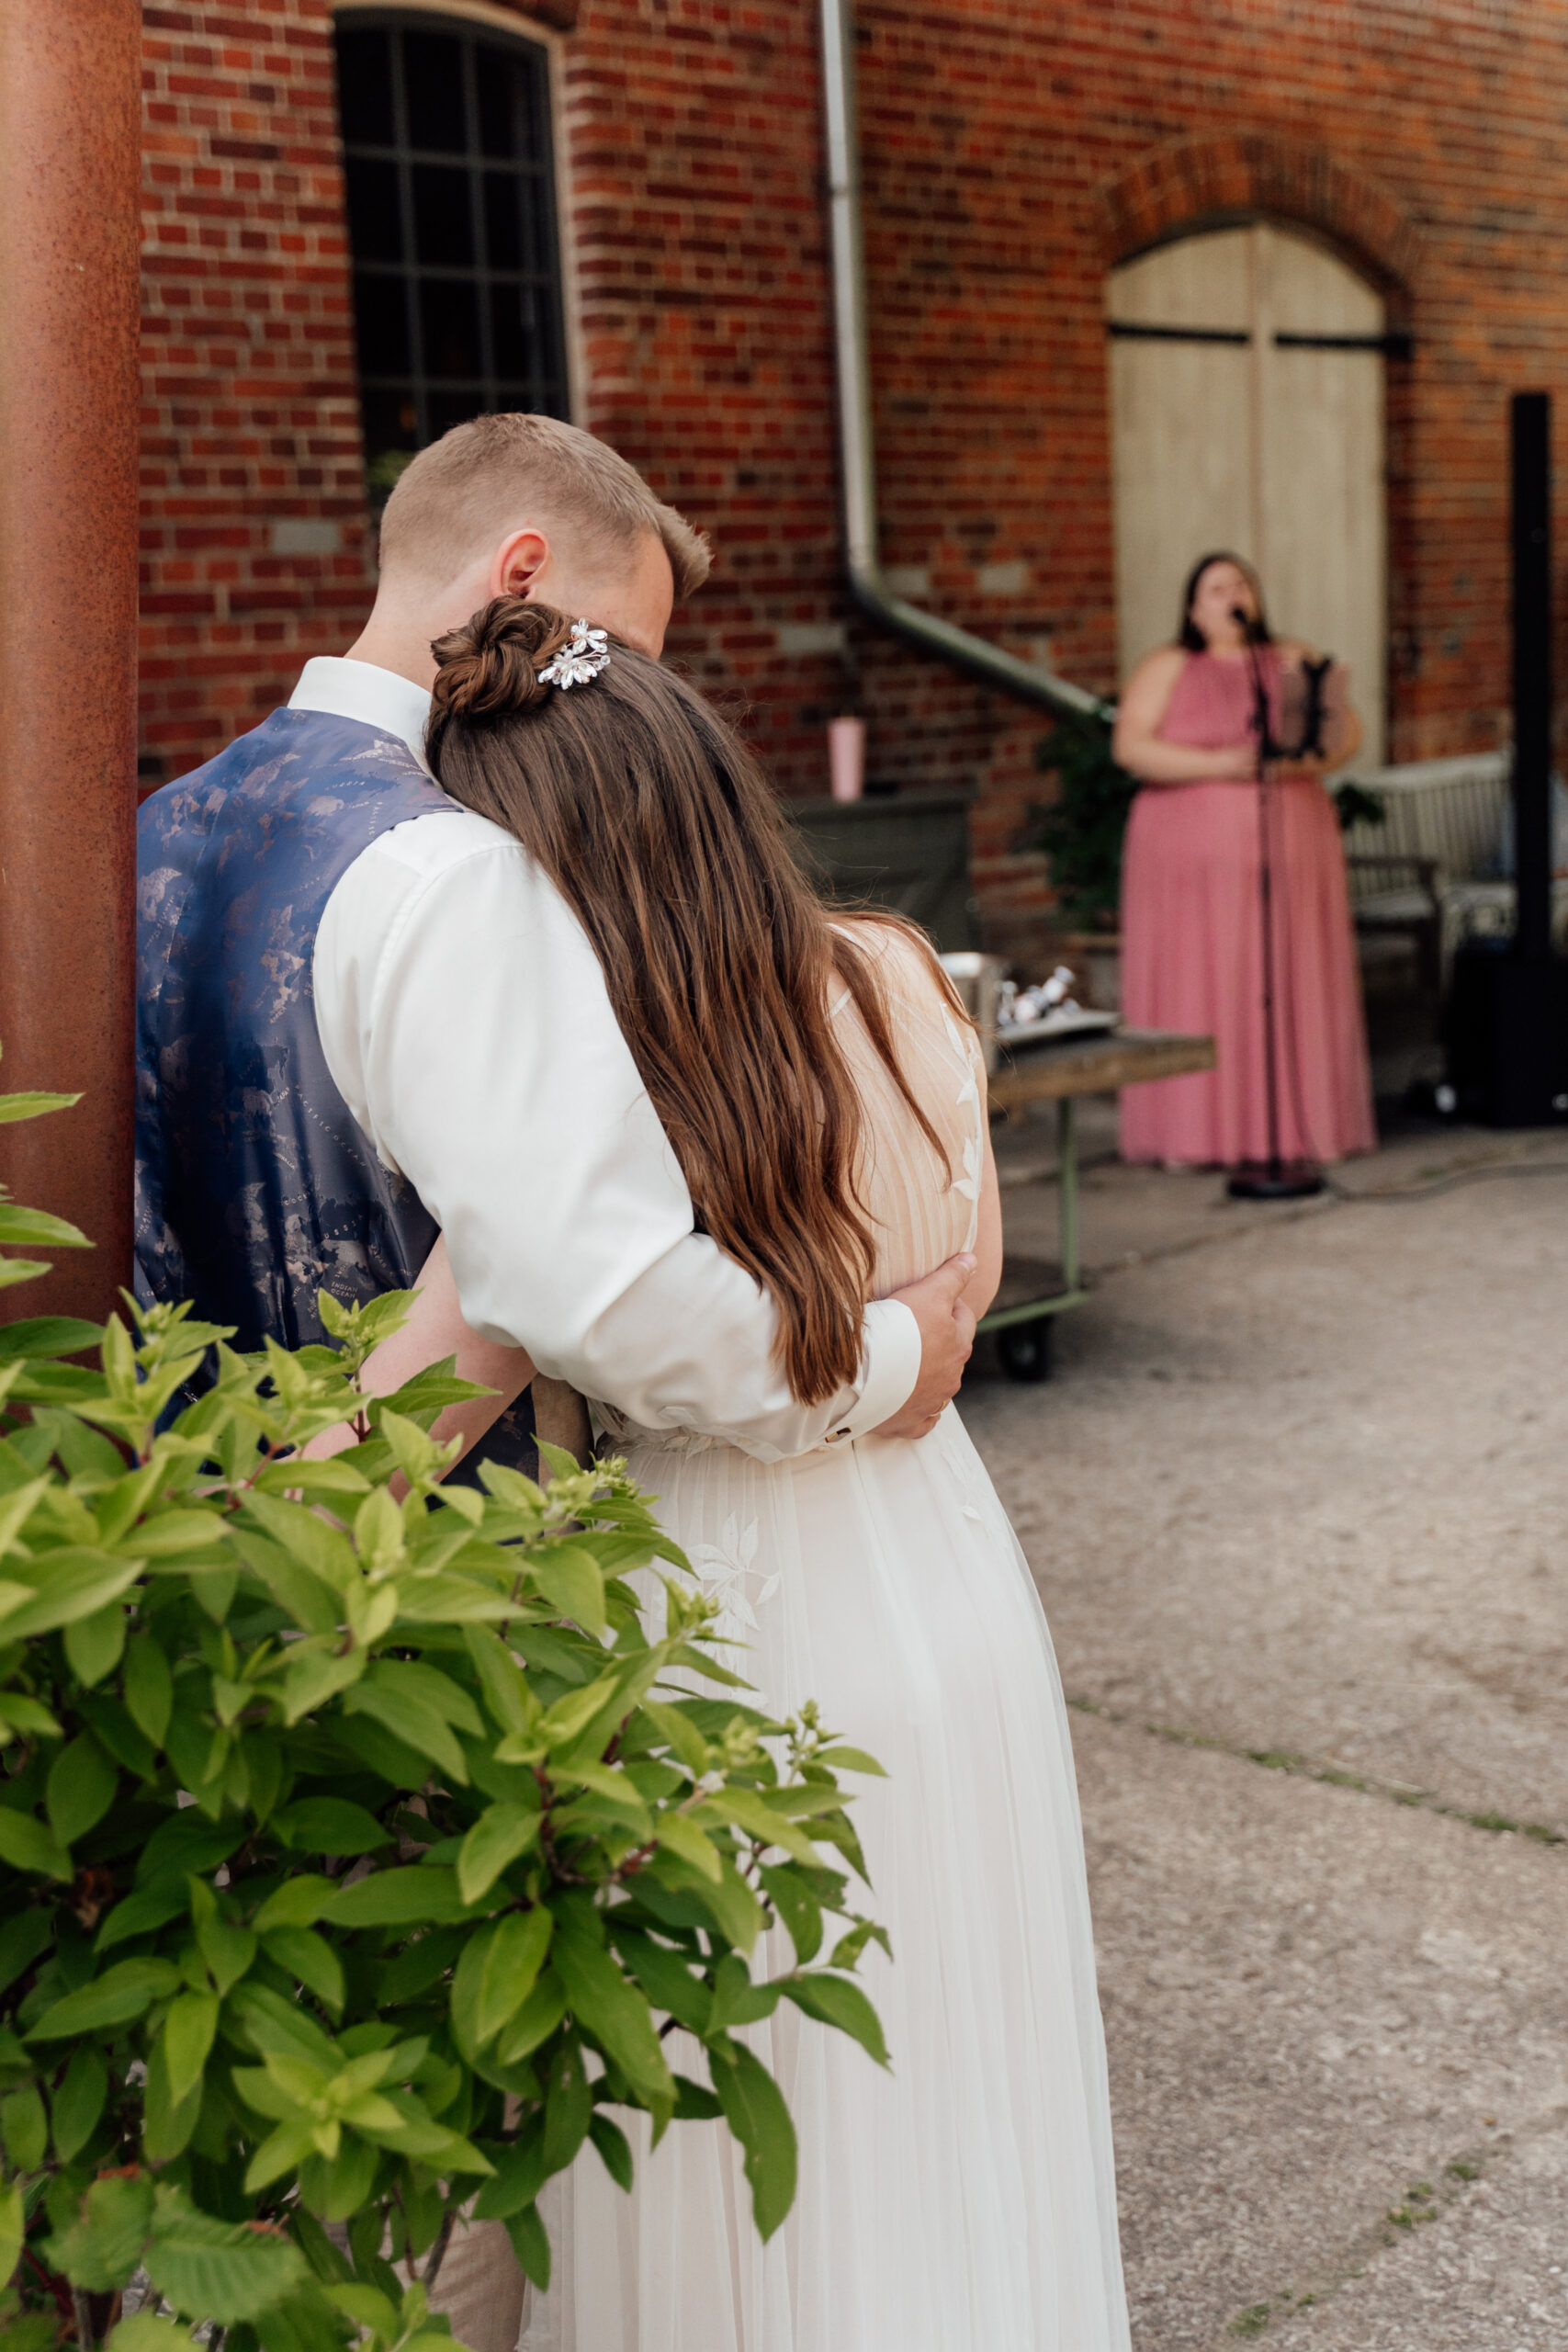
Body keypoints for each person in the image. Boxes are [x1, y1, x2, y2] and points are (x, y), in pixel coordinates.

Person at [134, 414, 979, 2350]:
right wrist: (884, 1355)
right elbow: (602, 1291)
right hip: (433, 1650)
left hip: (199, 1632)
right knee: (452, 2233)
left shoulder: (157, 826)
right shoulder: (447, 883)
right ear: (518, 575)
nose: (618, 706)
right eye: (628, 644)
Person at [348, 596, 1131, 2352]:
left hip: (712, 1608)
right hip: (940, 1581)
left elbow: (453, 1375)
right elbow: (963, 1297)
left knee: (738, 2093)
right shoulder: (903, 975)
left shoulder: (595, 1081)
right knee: (943, 2053)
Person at [1112, 550, 1376, 1169]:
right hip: (1187, 863)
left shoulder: (1289, 657)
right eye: (1215, 587)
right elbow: (1131, 746)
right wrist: (1220, 765)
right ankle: (1193, 1133)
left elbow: (1345, 732)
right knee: (1202, 978)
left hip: (1287, 845)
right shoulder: (1167, 665)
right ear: (1191, 608)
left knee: (1282, 976)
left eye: (1241, 585)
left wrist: (1297, 761)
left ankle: (1289, 1129)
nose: (1232, 595)